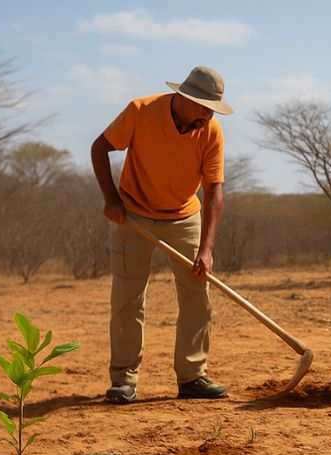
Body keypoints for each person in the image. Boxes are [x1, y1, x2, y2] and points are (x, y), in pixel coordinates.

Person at [90, 66, 232, 403]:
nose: (207, 114)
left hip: (184, 216)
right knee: (128, 297)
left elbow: (214, 192)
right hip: (133, 215)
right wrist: (111, 199)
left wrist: (207, 249)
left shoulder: (211, 130)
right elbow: (100, 148)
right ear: (184, 98)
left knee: (198, 296)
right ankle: (124, 380)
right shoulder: (141, 111)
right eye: (203, 106)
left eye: (212, 108)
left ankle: (192, 376)